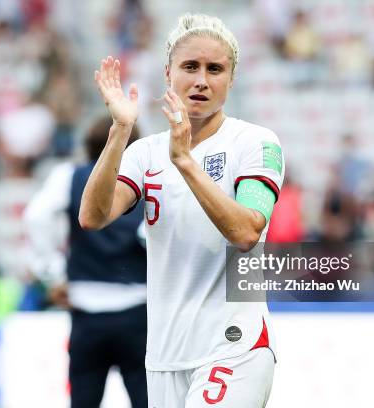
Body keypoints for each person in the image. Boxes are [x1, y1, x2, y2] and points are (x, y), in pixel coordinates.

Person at [80, 13, 284, 407]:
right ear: (168, 72)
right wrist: (120, 130)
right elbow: (93, 216)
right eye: (190, 66)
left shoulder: (256, 143)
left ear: (232, 78)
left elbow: (246, 233)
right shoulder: (144, 152)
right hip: (165, 355)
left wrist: (186, 162)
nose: (202, 80)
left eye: (215, 69)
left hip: (234, 344)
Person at [24, 115, 147, 407]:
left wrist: (53, 274)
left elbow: (36, 216)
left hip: (86, 314)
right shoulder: (146, 179)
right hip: (139, 313)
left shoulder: (69, 175)